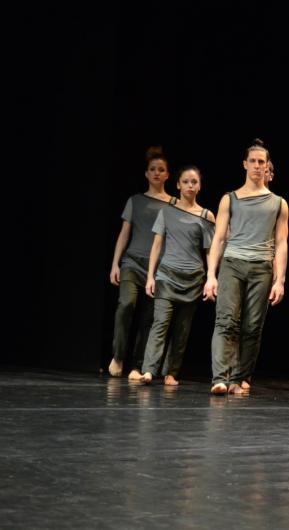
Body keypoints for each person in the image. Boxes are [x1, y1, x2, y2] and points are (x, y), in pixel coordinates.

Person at [204, 139, 289, 395]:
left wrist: (280, 280)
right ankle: (220, 378)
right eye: (252, 161)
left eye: (261, 162)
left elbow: (282, 243)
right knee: (226, 321)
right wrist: (211, 275)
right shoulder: (229, 199)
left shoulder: (279, 203)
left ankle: (240, 378)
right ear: (244, 164)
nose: (257, 165)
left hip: (262, 267)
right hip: (232, 263)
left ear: (267, 166)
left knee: (252, 326)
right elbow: (219, 239)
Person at [139, 166, 215, 385]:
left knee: (182, 328)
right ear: (178, 185)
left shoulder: (206, 215)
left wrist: (211, 277)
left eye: (194, 182)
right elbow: (157, 244)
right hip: (167, 275)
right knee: (160, 323)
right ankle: (149, 370)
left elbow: (210, 251)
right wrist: (151, 276)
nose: (190, 185)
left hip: (193, 279)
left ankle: (171, 372)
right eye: (186, 181)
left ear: (199, 186)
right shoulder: (166, 211)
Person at [108, 146, 176, 380]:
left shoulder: (174, 204)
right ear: (146, 173)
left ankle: (137, 365)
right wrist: (115, 264)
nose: (157, 173)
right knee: (126, 304)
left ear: (168, 175)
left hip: (159, 268)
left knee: (149, 318)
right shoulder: (135, 201)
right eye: (153, 169)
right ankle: (118, 356)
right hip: (133, 262)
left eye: (161, 169)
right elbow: (124, 234)